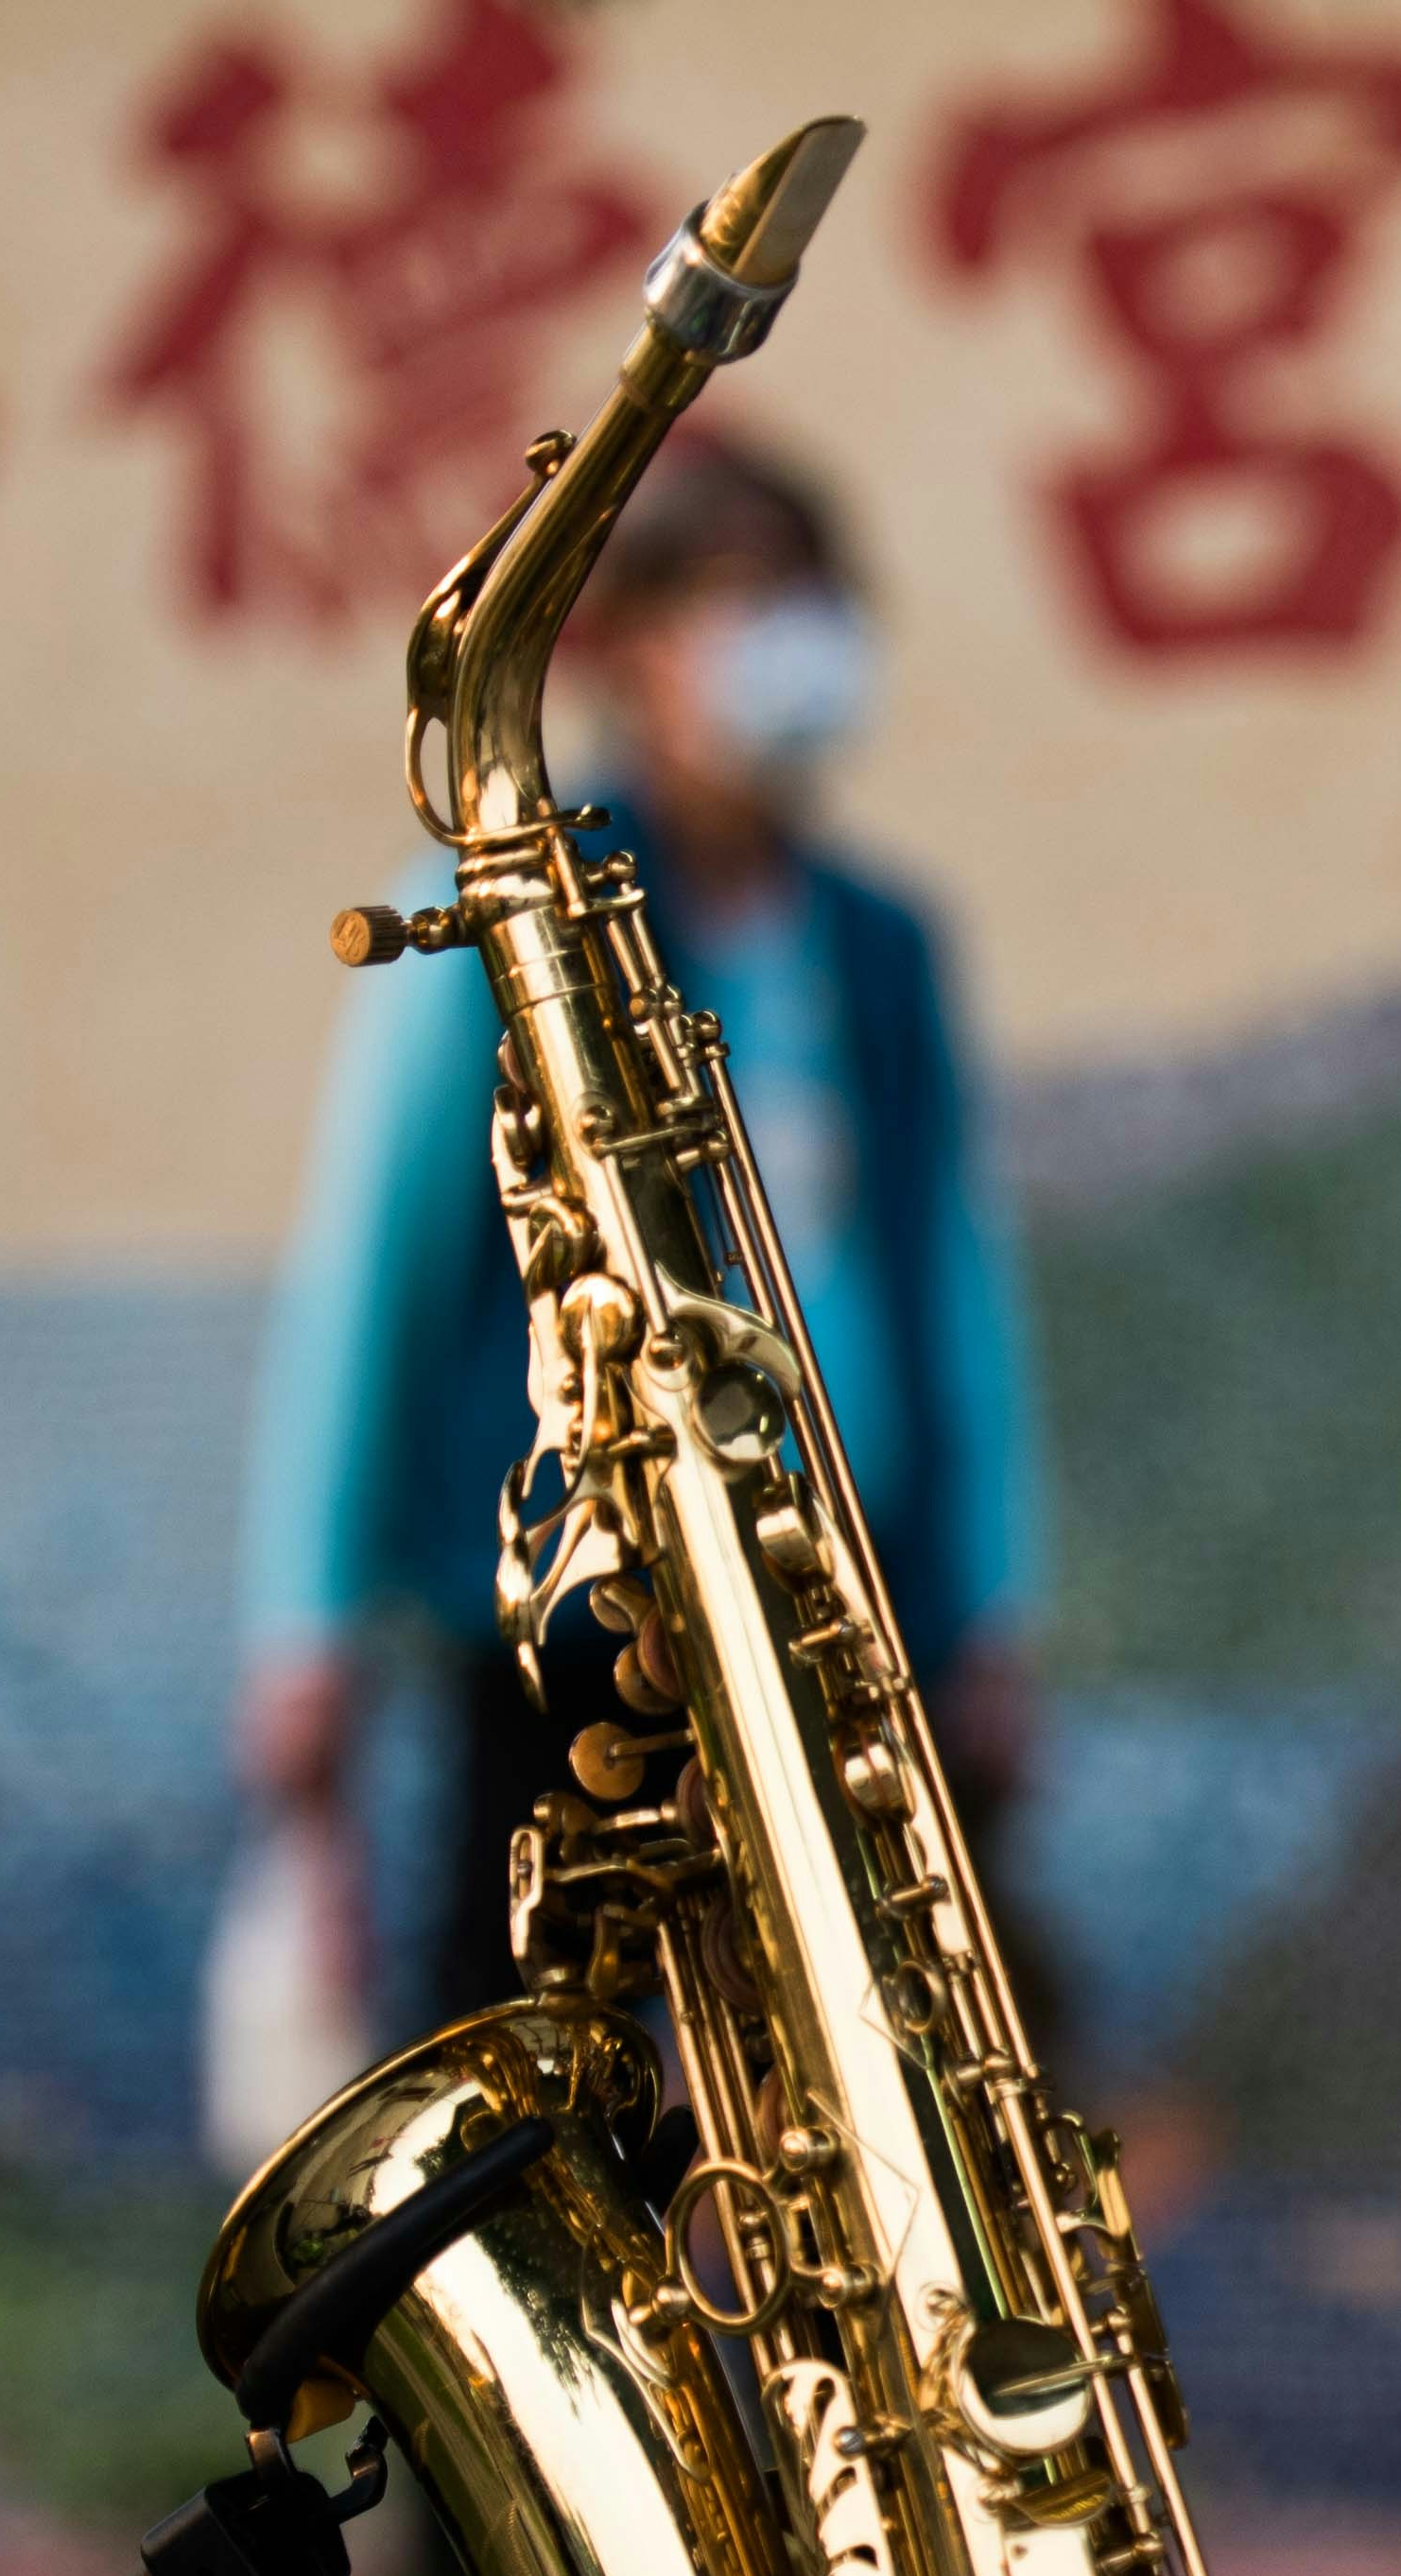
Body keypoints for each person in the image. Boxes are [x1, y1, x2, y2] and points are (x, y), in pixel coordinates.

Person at [229, 439, 1047, 2053]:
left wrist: (993, 1601)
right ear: (634, 647)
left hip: (837, 1605)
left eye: (814, 601)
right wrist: (303, 1619)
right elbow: (372, 1280)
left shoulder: (879, 946)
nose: (796, 645)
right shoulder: (507, 929)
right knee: (545, 2057)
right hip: (574, 1625)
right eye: (749, 603)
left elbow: (949, 1283)